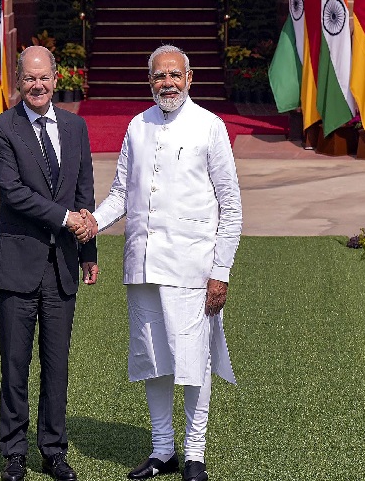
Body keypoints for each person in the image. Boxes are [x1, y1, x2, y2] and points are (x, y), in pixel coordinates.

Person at [75, 44, 241, 481]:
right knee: (154, 359)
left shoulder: (210, 126)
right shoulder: (138, 126)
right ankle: (162, 449)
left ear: (190, 78)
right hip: (143, 265)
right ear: (149, 82)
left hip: (192, 267)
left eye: (174, 75)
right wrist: (92, 221)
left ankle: (195, 453)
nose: (166, 83)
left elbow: (231, 206)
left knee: (192, 361)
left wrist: (220, 271)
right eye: (158, 77)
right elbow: (120, 195)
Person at [0, 45, 100, 481]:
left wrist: (88, 251)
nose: (37, 85)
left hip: (62, 268)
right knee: (14, 364)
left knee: (57, 365)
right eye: (29, 78)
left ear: (57, 79)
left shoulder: (75, 127)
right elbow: (13, 192)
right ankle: (14, 453)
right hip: (16, 267)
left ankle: (53, 451)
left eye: (44, 77)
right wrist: (66, 217)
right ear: (19, 81)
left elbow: (84, 193)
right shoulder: (1, 128)